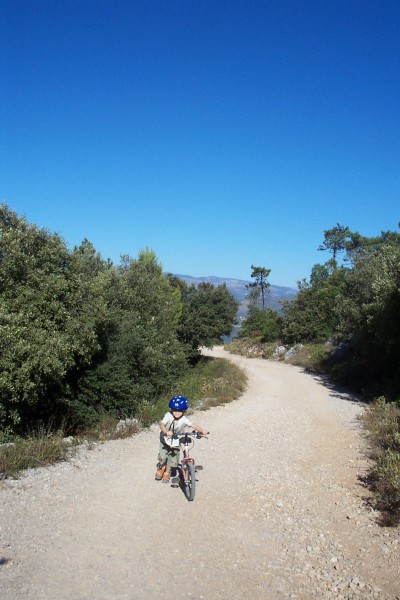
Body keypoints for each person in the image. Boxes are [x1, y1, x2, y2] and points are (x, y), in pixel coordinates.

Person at [155, 395, 209, 483]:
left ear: (183, 411)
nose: (177, 412)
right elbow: (162, 424)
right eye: (175, 410)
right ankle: (161, 468)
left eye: (179, 411)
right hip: (165, 439)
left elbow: (193, 425)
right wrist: (166, 431)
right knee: (163, 457)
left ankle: (167, 472)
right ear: (171, 409)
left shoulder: (183, 419)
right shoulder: (168, 415)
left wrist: (202, 430)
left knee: (172, 459)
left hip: (176, 440)